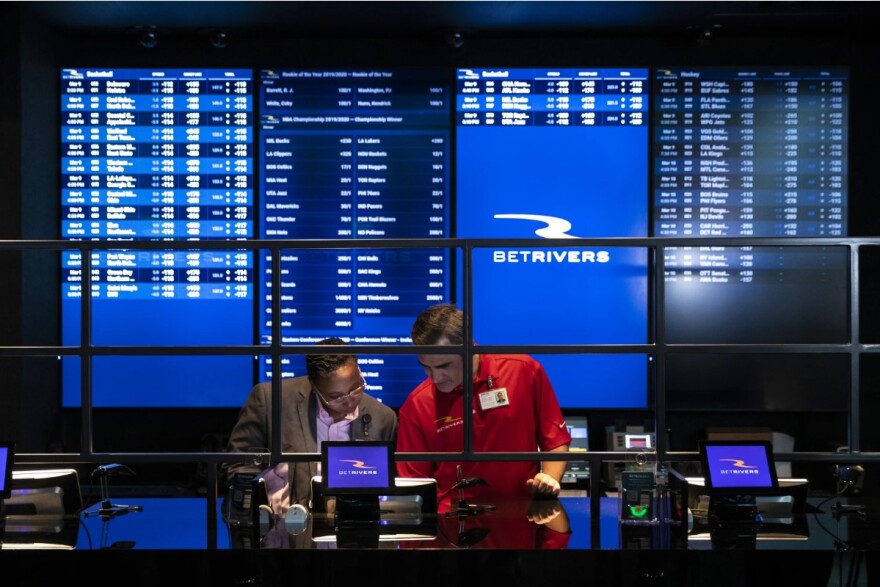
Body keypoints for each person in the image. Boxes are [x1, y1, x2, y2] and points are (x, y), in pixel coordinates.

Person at [396, 304, 571, 513]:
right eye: (426, 367)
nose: (435, 377)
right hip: (453, 526)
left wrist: (549, 479)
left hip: (521, 518)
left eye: (444, 366)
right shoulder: (416, 405)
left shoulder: (524, 371)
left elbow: (555, 440)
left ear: (470, 346)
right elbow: (415, 485)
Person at [224, 337, 398, 517]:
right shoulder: (270, 401)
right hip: (281, 532)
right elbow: (239, 469)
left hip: (351, 532)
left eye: (356, 387)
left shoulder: (383, 418)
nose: (349, 400)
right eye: (336, 396)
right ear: (314, 386)